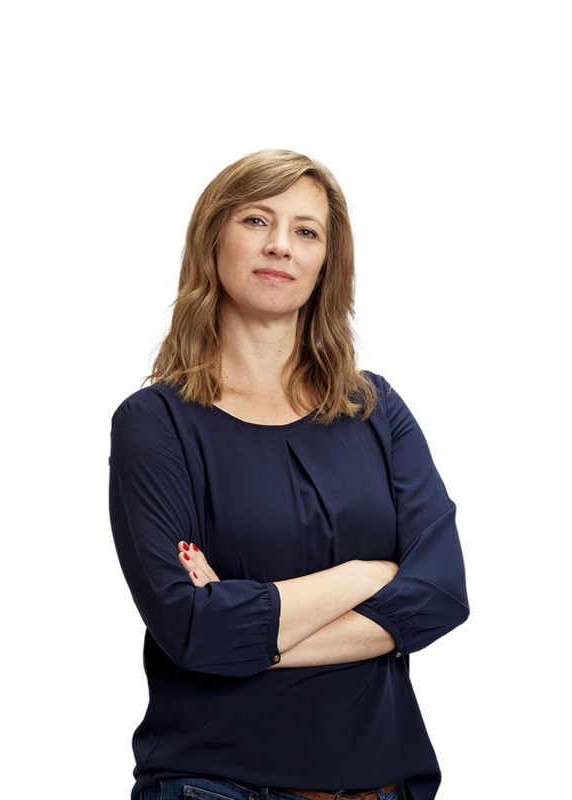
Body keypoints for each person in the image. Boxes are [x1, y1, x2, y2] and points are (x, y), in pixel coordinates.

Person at [108, 146, 471, 800]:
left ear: (327, 263)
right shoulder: (154, 424)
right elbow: (190, 626)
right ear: (212, 238)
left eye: (306, 232)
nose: (280, 245)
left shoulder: (377, 409)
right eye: (256, 220)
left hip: (383, 785)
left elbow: (443, 593)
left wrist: (251, 634)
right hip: (214, 785)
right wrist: (369, 576)